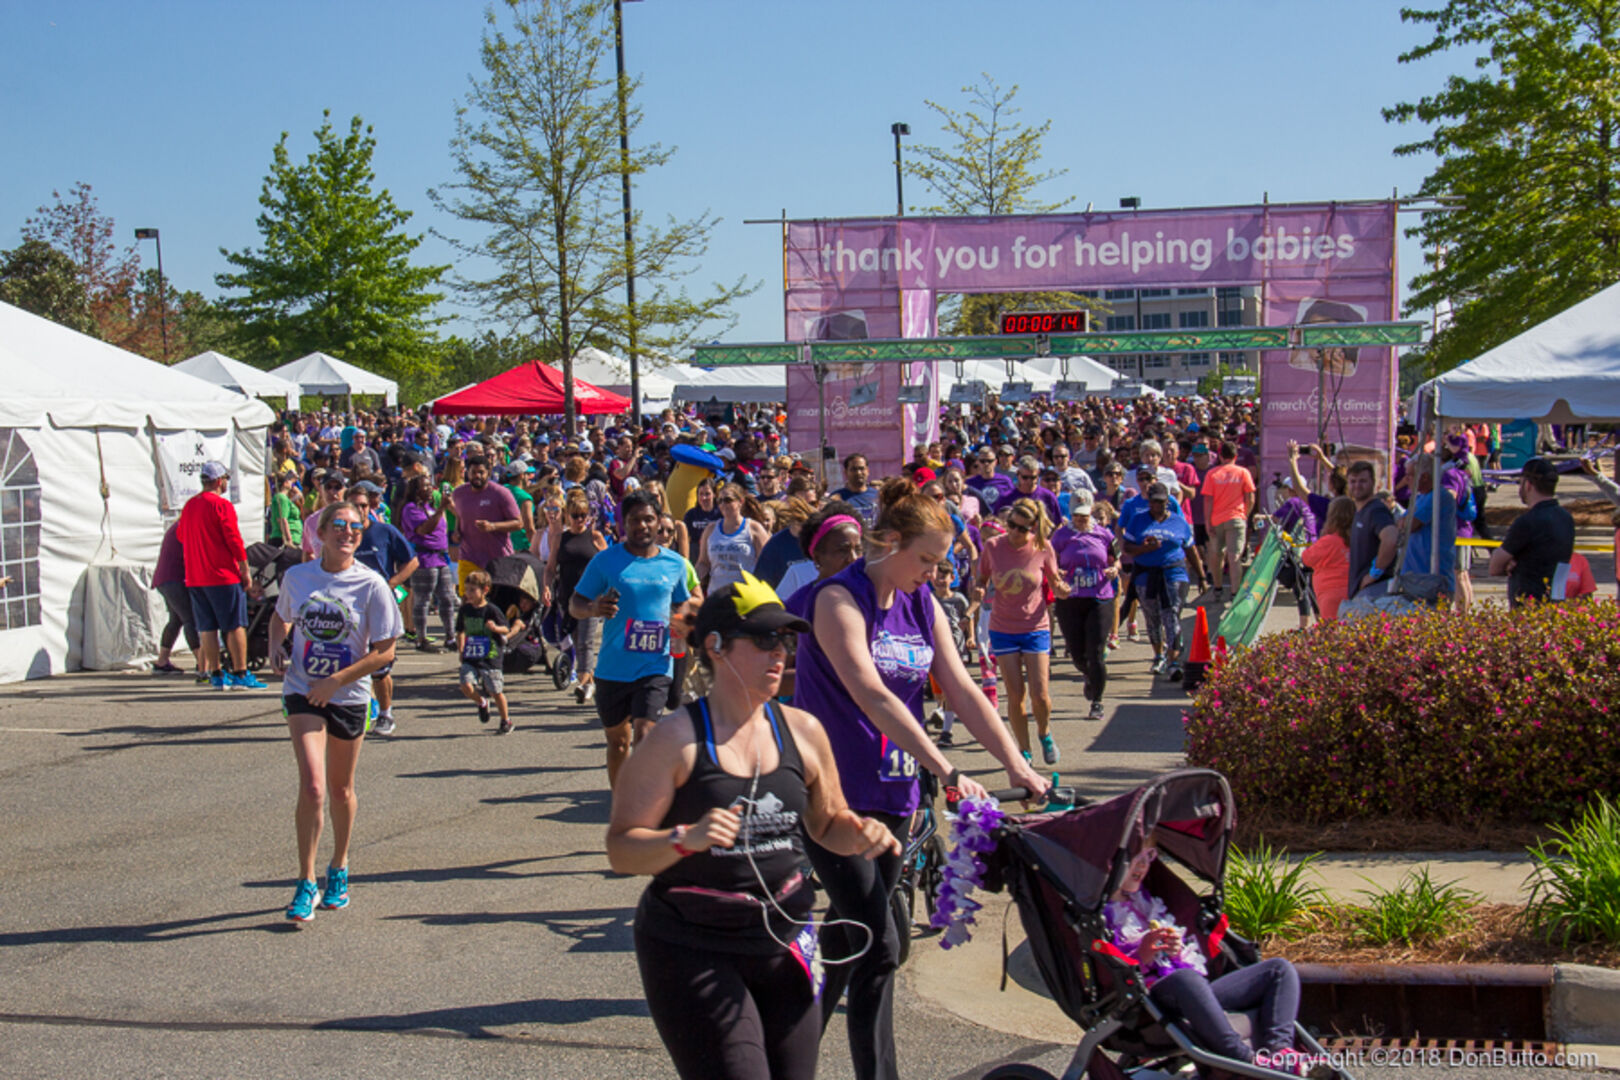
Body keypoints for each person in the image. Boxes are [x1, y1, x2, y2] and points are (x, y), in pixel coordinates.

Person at [795, 477, 1049, 1080]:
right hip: (832, 796)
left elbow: (960, 689)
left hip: (894, 791)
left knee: (849, 938)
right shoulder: (837, 599)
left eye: (941, 563)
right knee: (881, 943)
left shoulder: (922, 603)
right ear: (889, 543)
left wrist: (1016, 762)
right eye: (927, 560)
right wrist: (949, 768)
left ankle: (786, 1050)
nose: (935, 574)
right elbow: (873, 693)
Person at [606, 576, 900, 1080]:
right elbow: (621, 849)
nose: (779, 652)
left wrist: (857, 833)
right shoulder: (674, 740)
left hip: (783, 939)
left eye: (785, 640)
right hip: (691, 943)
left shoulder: (804, 731)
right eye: (764, 639)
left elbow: (826, 823)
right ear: (715, 646)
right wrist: (685, 839)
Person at [269, 500, 403, 923]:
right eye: (340, 525)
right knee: (313, 786)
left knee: (341, 789)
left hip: (348, 695)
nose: (348, 533)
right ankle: (306, 881)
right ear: (321, 533)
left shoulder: (371, 585)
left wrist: (337, 681)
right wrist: (276, 645)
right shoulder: (298, 577)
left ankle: (339, 866)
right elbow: (280, 617)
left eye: (356, 528)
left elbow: (385, 652)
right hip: (303, 690)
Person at [1105, 837, 1309, 1074]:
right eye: (1135, 857)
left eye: (1148, 856)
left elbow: (1184, 963)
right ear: (1110, 860)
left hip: (1194, 993)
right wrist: (1142, 955)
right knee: (1185, 980)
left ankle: (1280, 1050)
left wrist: (1176, 950)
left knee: (1279, 969)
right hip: (1148, 1001)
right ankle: (1244, 1059)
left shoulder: (1146, 900)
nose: (1143, 865)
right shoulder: (1099, 915)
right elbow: (1108, 972)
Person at [571, 490, 701, 788]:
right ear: (623, 524)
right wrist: (594, 608)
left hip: (655, 665)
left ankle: (645, 802)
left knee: (645, 736)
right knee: (618, 743)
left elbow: (683, 603)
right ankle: (621, 801)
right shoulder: (605, 561)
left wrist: (684, 621)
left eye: (648, 519)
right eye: (634, 520)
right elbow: (575, 604)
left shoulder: (675, 564)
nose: (642, 525)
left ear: (659, 521)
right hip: (613, 667)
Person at [979, 496, 1069, 765]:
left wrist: (1063, 590)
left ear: (1033, 528)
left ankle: (1044, 733)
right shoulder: (993, 546)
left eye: (1023, 528)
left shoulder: (1043, 547)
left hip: (1035, 626)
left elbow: (1054, 581)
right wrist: (978, 590)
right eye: (1012, 525)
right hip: (1003, 627)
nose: (1016, 532)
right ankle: (1024, 750)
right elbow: (982, 578)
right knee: (1015, 693)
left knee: (1040, 695)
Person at [177, 461, 267, 691]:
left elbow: (181, 536)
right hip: (222, 575)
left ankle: (215, 673)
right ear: (219, 481)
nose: (227, 482)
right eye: (226, 478)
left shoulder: (190, 505)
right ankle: (240, 672)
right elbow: (234, 539)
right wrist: (244, 569)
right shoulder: (221, 505)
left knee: (207, 627)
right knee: (235, 624)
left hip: (196, 576)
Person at [347, 484, 418, 736]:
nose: (359, 510)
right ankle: (358, 710)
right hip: (350, 608)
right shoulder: (342, 535)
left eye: (363, 505)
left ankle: (386, 714)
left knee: (380, 666)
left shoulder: (384, 531)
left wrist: (392, 584)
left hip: (379, 607)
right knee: (351, 661)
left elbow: (412, 561)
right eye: (354, 505)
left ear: (371, 507)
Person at [1051, 490, 1118, 721]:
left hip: (1099, 596)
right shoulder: (1060, 537)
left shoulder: (1104, 534)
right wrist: (1056, 573)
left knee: (1096, 651)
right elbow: (1050, 561)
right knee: (1078, 653)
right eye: (1077, 516)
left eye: (1085, 516)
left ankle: (1097, 701)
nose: (1081, 520)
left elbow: (1115, 557)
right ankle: (1089, 674)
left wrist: (1114, 568)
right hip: (1070, 598)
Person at [1123, 483, 1194, 681]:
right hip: (1146, 576)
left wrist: (1202, 576)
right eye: (1154, 501)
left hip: (1174, 574)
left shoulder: (1179, 521)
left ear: (1168, 501)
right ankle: (1159, 655)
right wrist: (1145, 549)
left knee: (1171, 615)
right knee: (1152, 617)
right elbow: (1127, 547)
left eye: (1162, 502)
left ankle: (1174, 660)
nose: (1157, 505)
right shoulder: (1138, 520)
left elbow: (1190, 548)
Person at [548, 488, 610, 704]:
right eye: (575, 516)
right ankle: (590, 681)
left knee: (585, 642)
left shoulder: (595, 537)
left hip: (591, 598)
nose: (579, 520)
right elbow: (550, 567)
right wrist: (546, 587)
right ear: (567, 516)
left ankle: (583, 684)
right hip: (567, 596)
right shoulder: (559, 538)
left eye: (583, 515)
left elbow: (609, 563)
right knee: (575, 640)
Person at [1489, 457, 1576, 605]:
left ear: (1528, 485)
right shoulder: (1566, 518)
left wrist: (1509, 565)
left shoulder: (1527, 521)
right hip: (1556, 598)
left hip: (1528, 604)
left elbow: (1494, 567)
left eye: (1520, 482)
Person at [400, 475, 455, 653]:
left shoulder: (430, 508)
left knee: (447, 598)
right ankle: (421, 639)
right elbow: (424, 529)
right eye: (425, 486)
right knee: (423, 600)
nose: (430, 488)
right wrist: (441, 509)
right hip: (424, 558)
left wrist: (443, 508)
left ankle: (450, 637)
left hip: (440, 557)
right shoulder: (411, 509)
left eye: (430, 485)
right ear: (416, 491)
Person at [451, 457, 523, 593]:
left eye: (481, 472)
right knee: (467, 599)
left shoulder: (501, 493)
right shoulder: (459, 493)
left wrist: (493, 526)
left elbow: (519, 523)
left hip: (496, 558)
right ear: (467, 472)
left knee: (497, 600)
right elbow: (460, 516)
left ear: (488, 473)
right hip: (468, 557)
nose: (477, 476)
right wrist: (457, 532)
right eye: (473, 472)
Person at [457, 570, 513, 734]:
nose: (468, 594)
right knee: (465, 684)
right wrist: (461, 649)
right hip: (471, 655)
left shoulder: (491, 610)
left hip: (490, 656)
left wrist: (495, 628)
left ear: (485, 590)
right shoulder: (465, 610)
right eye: (466, 590)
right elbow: (460, 630)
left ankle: (506, 720)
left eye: (472, 590)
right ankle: (481, 702)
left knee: (495, 690)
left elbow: (506, 629)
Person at [1200, 442, 1256, 601]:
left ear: (1220, 456)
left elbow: (1208, 500)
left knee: (1216, 555)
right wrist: (1245, 514)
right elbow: (1250, 497)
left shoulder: (1212, 474)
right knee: (1235, 557)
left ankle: (1218, 588)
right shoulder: (1243, 472)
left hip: (1216, 520)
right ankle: (1235, 592)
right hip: (1236, 518)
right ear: (1235, 457)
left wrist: (1207, 521)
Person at [152, 519, 202, 679]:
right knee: (190, 619)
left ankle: (162, 661)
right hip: (174, 579)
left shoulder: (179, 525)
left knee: (176, 620)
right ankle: (203, 663)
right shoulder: (188, 527)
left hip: (165, 578)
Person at [698, 483, 770, 592]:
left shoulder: (754, 528)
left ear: (740, 501)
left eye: (728, 500)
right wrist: (691, 583)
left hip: (745, 594)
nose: (723, 504)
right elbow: (703, 563)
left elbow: (767, 564)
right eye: (720, 501)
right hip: (716, 595)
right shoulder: (710, 530)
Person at [1346, 460, 1400, 599]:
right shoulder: (1360, 511)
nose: (1357, 485)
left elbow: (1391, 539)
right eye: (1353, 481)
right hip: (1362, 590)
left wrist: (1374, 574)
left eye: (1363, 481)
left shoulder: (1375, 510)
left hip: (1374, 590)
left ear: (1373, 483)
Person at [1301, 497, 1355, 621]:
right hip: (1352, 591)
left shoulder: (1329, 541)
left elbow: (1307, 558)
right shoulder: (1356, 540)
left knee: (1330, 628)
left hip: (1329, 593)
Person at [268, 472, 303, 548]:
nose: (291, 483)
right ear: (285, 483)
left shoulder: (285, 498)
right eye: (290, 481)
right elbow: (282, 520)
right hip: (282, 539)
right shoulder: (281, 498)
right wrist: (289, 540)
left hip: (293, 537)